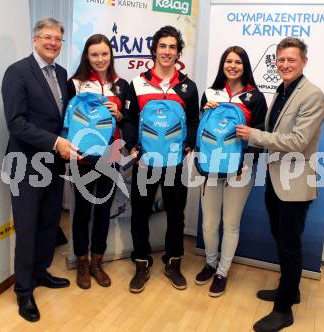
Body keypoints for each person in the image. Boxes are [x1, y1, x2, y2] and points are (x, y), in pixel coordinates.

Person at [237, 37, 324, 332]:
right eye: (281, 60)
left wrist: (252, 135)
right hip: (277, 180)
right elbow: (272, 129)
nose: (285, 65)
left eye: (291, 59)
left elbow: (298, 142)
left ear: (303, 62)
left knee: (289, 246)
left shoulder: (312, 95)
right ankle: (291, 290)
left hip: (296, 184)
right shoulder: (282, 90)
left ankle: (284, 309)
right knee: (281, 238)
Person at [1, 18, 79, 322]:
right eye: (48, 38)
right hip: (25, 163)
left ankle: (40, 271)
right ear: (35, 39)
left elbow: (64, 116)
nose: (53, 43)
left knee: (49, 221)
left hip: (53, 162)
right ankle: (23, 291)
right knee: (28, 226)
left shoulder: (61, 73)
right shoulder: (17, 72)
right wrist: (56, 141)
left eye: (58, 39)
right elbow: (16, 123)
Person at [122, 25, 199, 293]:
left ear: (179, 52)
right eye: (163, 46)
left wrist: (189, 144)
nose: (167, 52)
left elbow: (193, 120)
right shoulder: (137, 83)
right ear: (154, 49)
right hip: (145, 163)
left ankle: (173, 262)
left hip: (175, 164)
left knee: (176, 215)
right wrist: (132, 147)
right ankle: (141, 263)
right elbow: (129, 120)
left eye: (172, 47)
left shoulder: (188, 87)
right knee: (140, 214)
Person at [195, 46, 267, 297]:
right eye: (228, 61)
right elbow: (201, 131)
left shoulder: (255, 97)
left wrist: (246, 163)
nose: (233, 66)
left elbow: (259, 133)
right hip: (211, 167)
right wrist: (204, 112)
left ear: (245, 66)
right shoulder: (210, 92)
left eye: (238, 62)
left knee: (231, 223)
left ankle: (222, 272)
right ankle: (210, 263)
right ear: (222, 64)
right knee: (209, 223)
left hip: (240, 170)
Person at [66, 34, 129, 290]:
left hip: (111, 153)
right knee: (82, 210)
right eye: (94, 55)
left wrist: (120, 114)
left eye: (104, 54)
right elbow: (66, 120)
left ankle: (97, 261)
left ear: (111, 55)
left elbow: (128, 119)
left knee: (103, 209)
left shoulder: (121, 85)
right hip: (81, 155)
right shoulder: (75, 83)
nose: (100, 59)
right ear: (87, 57)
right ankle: (82, 261)